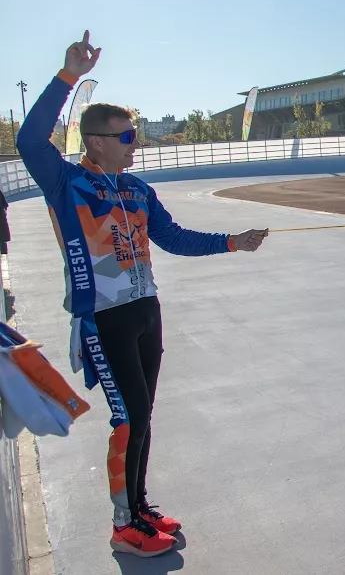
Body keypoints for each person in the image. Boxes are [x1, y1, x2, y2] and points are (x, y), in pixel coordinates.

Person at [17, 32, 269, 558]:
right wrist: (68, 76)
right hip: (102, 319)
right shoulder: (68, 184)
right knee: (128, 417)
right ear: (97, 142)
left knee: (143, 414)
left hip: (144, 311)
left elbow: (173, 238)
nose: (136, 142)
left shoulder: (138, 190)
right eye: (127, 135)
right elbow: (29, 141)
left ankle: (139, 504)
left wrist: (232, 242)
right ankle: (122, 526)